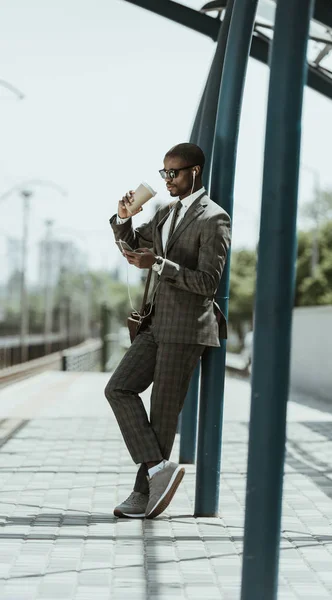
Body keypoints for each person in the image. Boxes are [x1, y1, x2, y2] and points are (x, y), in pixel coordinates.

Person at [105, 143, 231, 519]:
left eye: (174, 173)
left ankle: (144, 494)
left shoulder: (215, 219)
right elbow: (129, 245)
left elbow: (208, 281)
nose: (168, 180)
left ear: (195, 172)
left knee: (162, 413)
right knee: (118, 388)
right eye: (164, 173)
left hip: (188, 328)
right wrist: (123, 216)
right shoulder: (164, 213)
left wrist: (159, 264)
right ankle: (160, 469)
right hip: (157, 323)